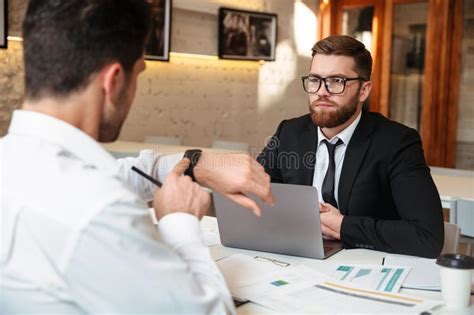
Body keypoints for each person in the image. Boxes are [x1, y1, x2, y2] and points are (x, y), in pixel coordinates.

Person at [0, 0, 274, 313]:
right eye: (139, 73)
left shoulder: (14, 161)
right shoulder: (100, 209)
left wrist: (198, 165)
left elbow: (125, 173)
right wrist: (180, 222)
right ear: (113, 81)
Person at [258, 35, 444, 258]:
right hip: (295, 259)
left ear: (363, 91)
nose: (322, 91)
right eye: (315, 80)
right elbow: (257, 199)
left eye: (337, 81)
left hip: (364, 270)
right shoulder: (289, 132)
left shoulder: (398, 142)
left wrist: (343, 225)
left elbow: (427, 237)